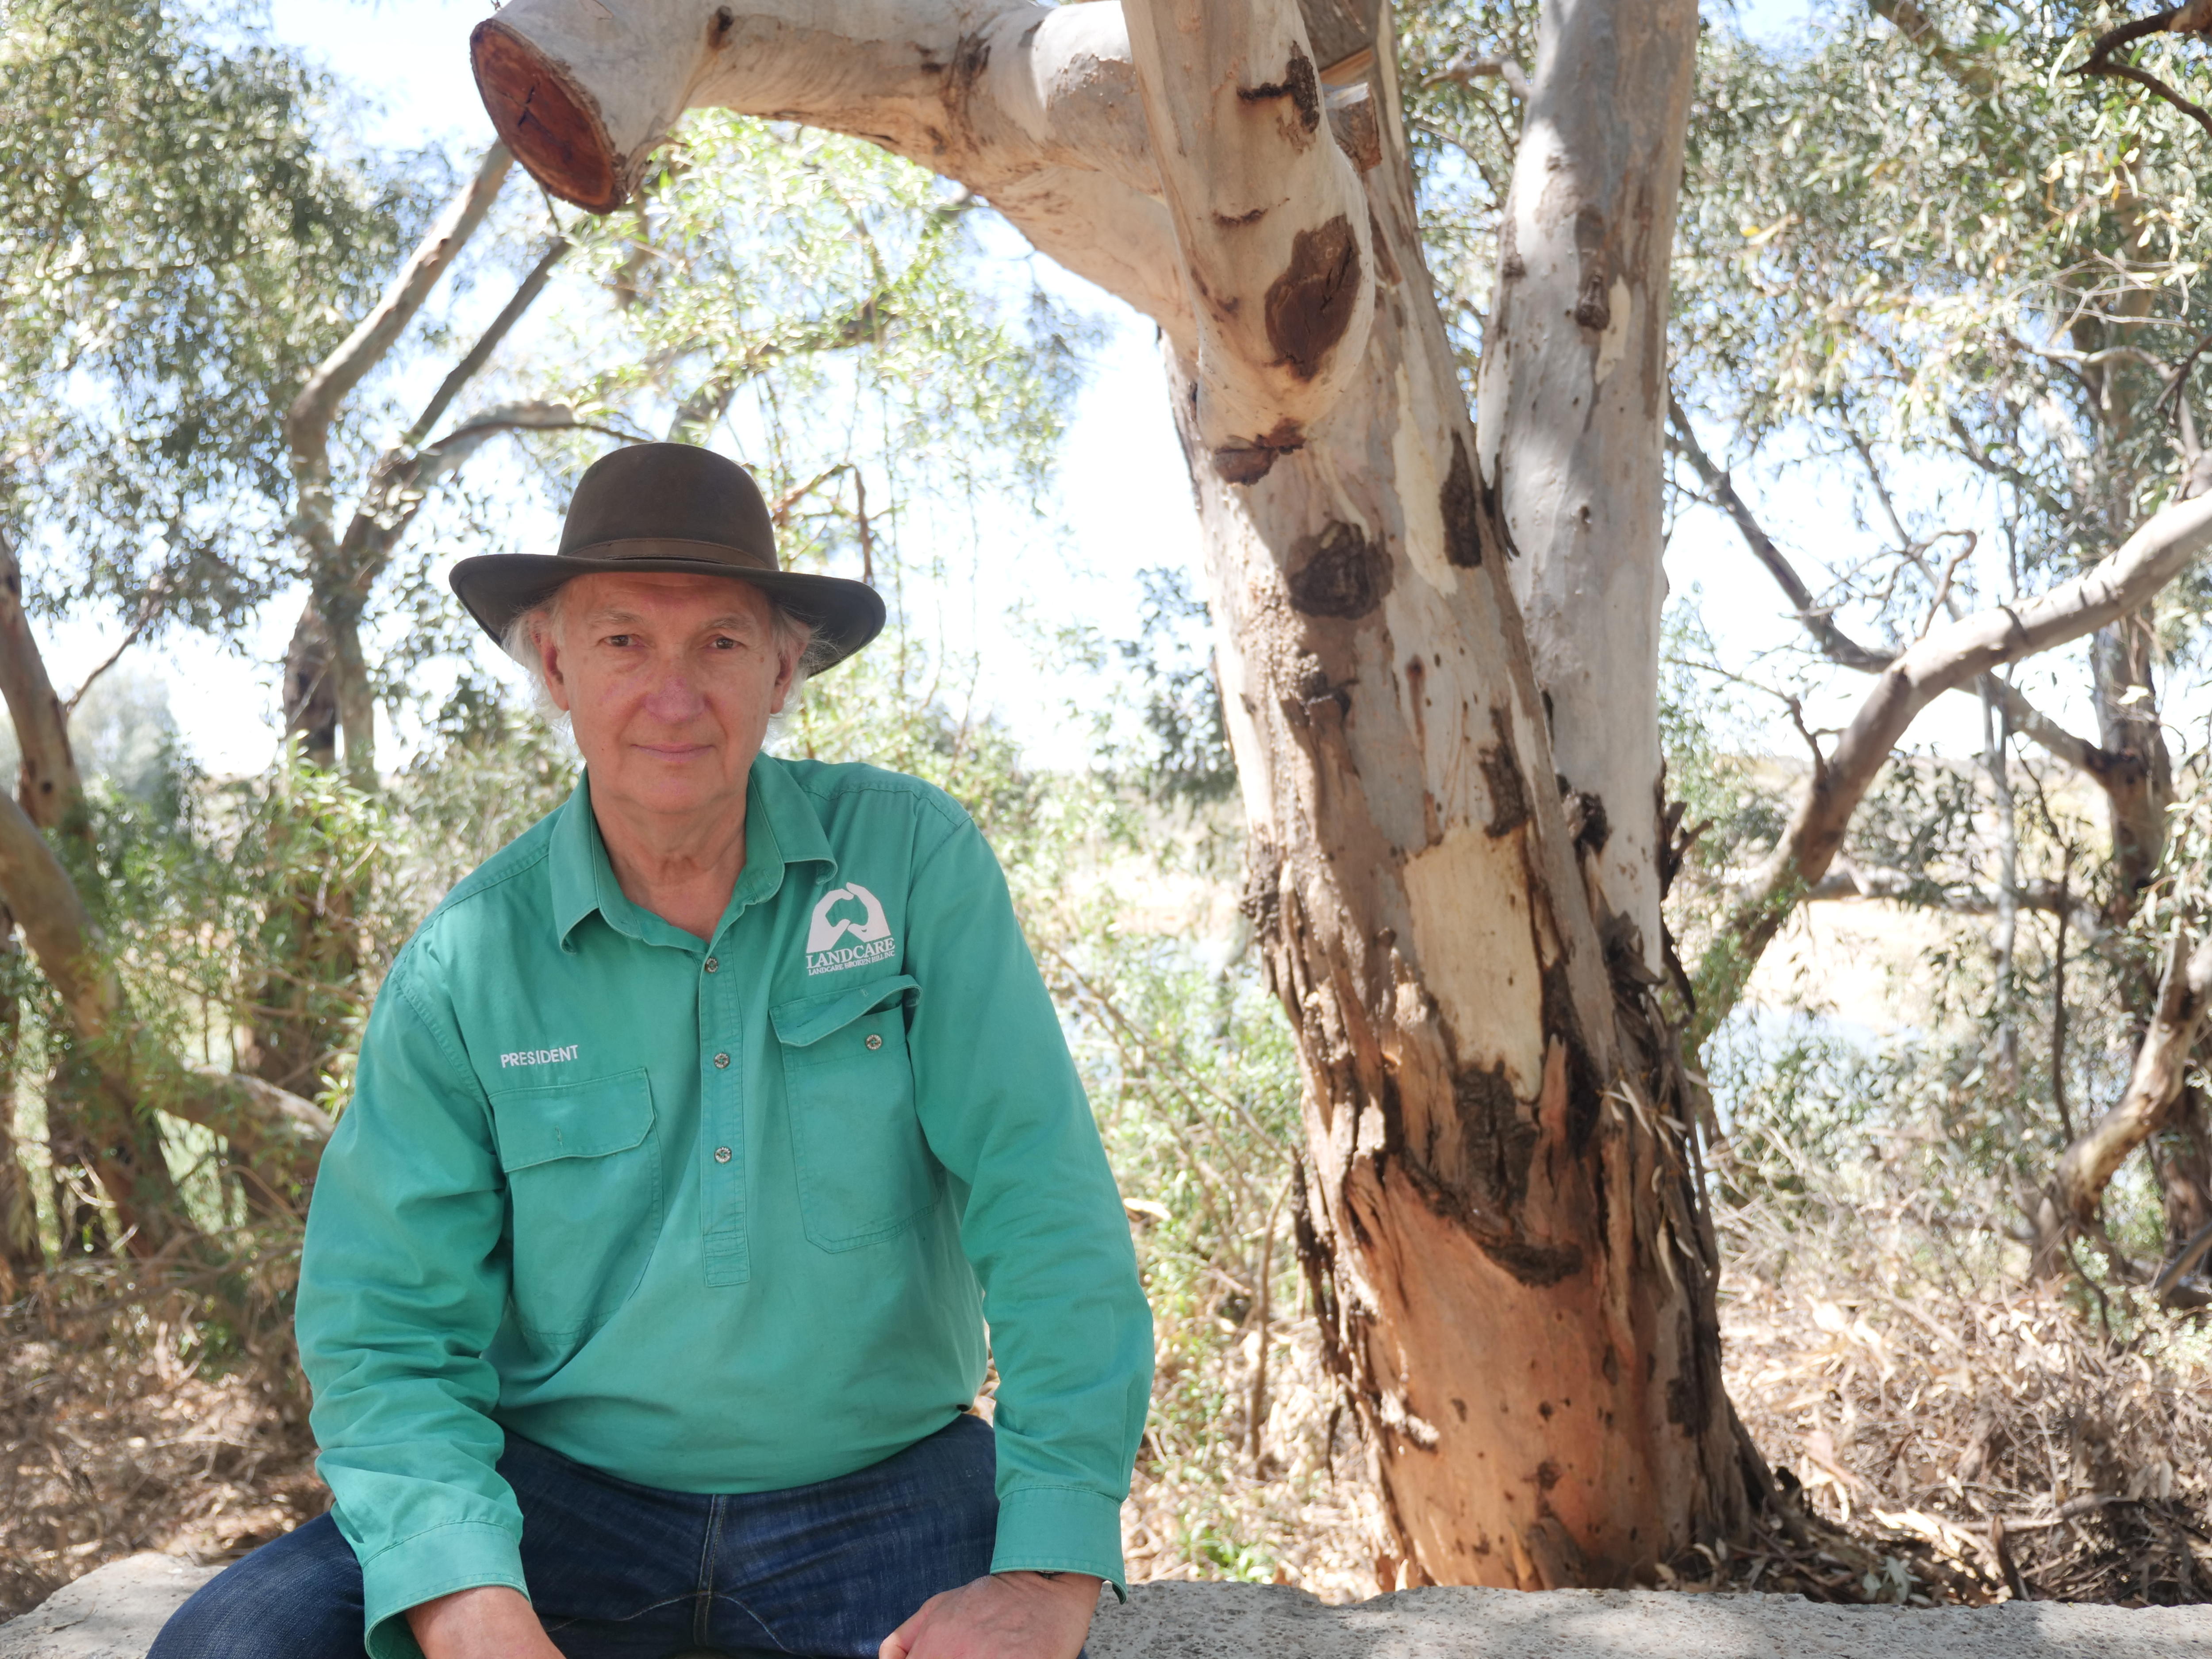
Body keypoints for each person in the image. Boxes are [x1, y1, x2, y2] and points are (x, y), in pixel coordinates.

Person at [150, 443, 1153, 1659]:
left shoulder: (912, 863)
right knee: (232, 1647)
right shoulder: (469, 959)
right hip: (561, 1496)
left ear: (785, 670)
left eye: (721, 645)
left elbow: (1042, 1205)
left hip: (887, 1486)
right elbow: (386, 1327)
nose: (672, 697)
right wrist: (471, 1602)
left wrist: (1047, 1577)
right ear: (556, 667)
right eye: (624, 641)